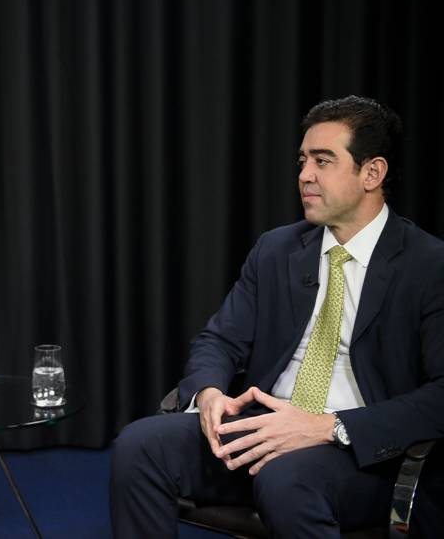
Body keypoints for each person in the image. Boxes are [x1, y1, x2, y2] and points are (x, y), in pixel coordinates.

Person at [110, 96, 444, 537]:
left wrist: (328, 427)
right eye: (303, 160)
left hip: (360, 455)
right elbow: (219, 341)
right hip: (264, 430)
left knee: (286, 479)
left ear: (372, 173)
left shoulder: (429, 264)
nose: (304, 175)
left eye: (323, 161)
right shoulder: (276, 250)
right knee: (139, 446)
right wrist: (208, 394)